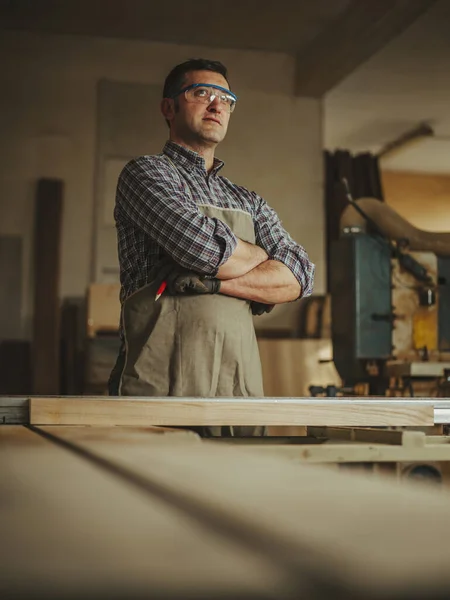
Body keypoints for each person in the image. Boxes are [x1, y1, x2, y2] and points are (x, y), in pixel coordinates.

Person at [108, 58, 315, 436]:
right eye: (201, 93)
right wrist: (260, 255)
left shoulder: (247, 200)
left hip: (238, 393)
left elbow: (299, 276)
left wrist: (217, 284)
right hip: (159, 390)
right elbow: (200, 250)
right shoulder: (146, 174)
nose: (217, 105)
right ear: (168, 107)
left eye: (227, 98)